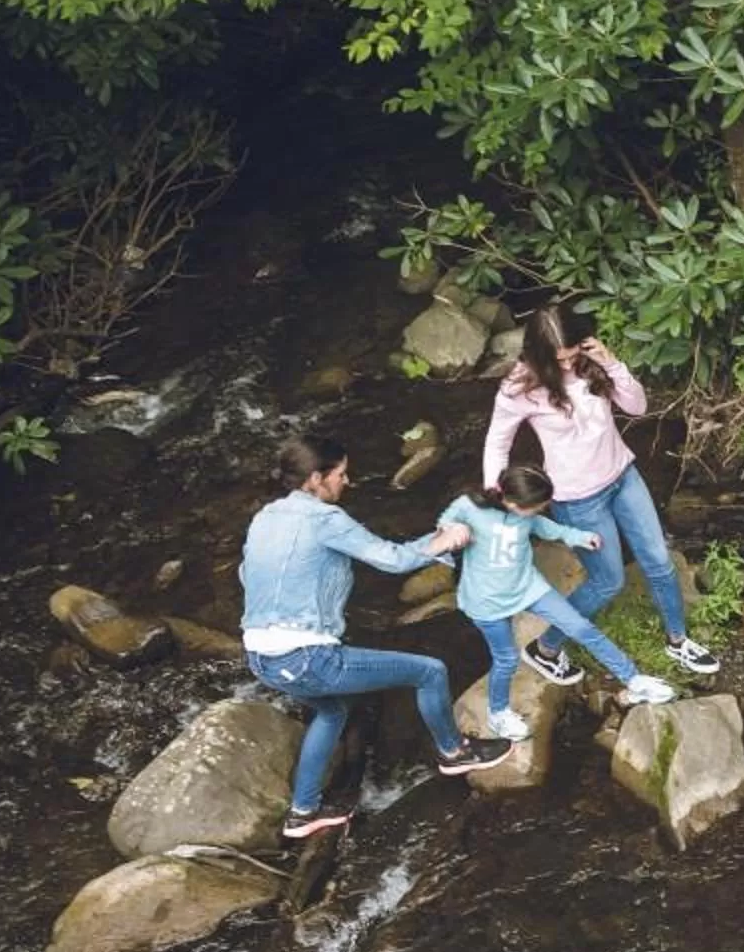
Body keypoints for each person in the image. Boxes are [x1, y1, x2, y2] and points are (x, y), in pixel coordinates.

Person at [240, 433, 516, 839]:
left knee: (332, 712)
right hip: (306, 657)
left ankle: (303, 812)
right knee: (430, 672)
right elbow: (393, 559)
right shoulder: (324, 519)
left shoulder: (266, 517)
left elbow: (246, 575)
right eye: (341, 474)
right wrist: (442, 541)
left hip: (261, 658)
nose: (347, 482)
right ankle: (455, 752)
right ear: (316, 479)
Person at [480, 303, 719, 691]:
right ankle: (545, 648)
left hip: (623, 476)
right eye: (559, 360)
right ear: (539, 354)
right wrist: (497, 497)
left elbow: (638, 407)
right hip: (577, 500)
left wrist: (612, 364)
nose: (568, 365)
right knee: (608, 582)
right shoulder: (519, 387)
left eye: (572, 354)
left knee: (659, 561)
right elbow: (497, 443)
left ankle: (678, 641)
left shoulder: (594, 363)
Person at [440, 465, 678, 736]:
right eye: (540, 504)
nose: (544, 508)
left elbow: (548, 528)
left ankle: (635, 680)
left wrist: (581, 537)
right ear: (515, 502)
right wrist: (451, 531)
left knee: (581, 627)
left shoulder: (527, 517)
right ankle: (498, 714)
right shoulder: (471, 511)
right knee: (506, 659)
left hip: (527, 587)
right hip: (487, 601)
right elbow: (445, 525)